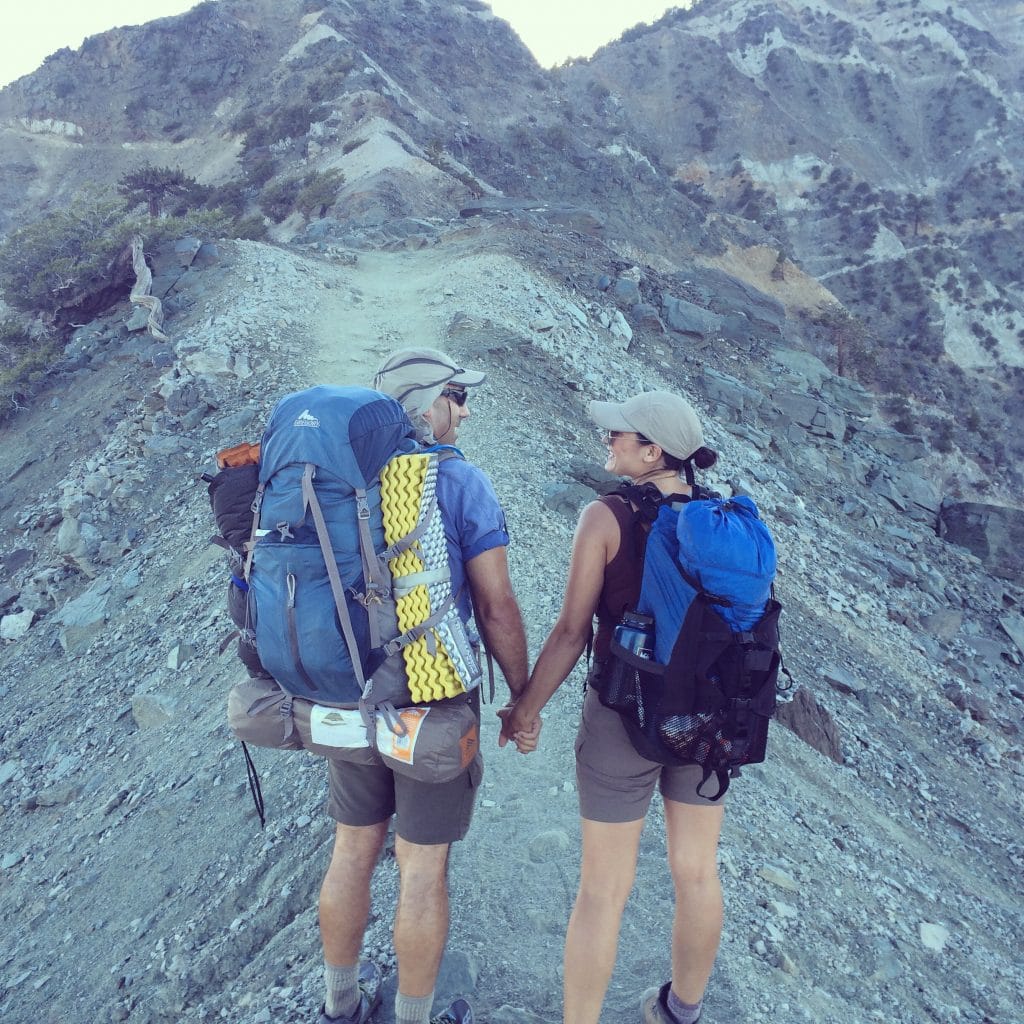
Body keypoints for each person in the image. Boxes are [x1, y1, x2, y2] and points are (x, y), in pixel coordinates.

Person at [317, 347, 536, 1024]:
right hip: (432, 696)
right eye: (458, 396)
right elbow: (496, 606)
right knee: (421, 862)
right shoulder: (459, 481)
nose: (466, 409)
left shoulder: (337, 479)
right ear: (427, 406)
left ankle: (340, 1005)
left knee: (352, 847)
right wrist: (522, 698)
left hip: (349, 689)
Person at [500, 391, 725, 1024]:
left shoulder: (606, 517)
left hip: (622, 718)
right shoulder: (720, 520)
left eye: (618, 436)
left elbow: (573, 631)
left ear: (653, 451)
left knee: (602, 891)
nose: (607, 442)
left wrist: (526, 710)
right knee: (697, 873)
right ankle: (681, 1011)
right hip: (704, 722)